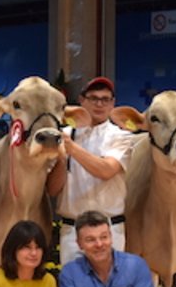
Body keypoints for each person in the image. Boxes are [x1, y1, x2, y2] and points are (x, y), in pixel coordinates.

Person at [47, 75, 135, 266]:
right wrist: (62, 160)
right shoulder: (65, 135)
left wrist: (71, 148)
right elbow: (52, 190)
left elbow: (106, 171)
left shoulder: (122, 137)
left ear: (113, 104)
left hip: (109, 228)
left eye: (105, 99)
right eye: (93, 98)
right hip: (72, 230)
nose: (99, 104)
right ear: (81, 101)